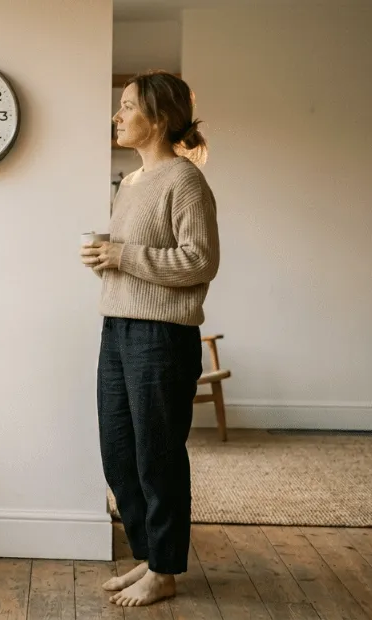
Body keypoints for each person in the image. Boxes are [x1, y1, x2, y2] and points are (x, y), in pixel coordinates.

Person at [80, 70, 219, 607]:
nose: (118, 116)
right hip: (116, 328)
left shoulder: (185, 181)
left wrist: (121, 256)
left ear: (159, 119)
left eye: (128, 107)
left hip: (162, 336)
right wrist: (104, 261)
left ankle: (164, 569)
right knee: (118, 452)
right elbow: (136, 261)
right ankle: (148, 555)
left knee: (157, 454)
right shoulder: (131, 183)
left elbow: (200, 261)